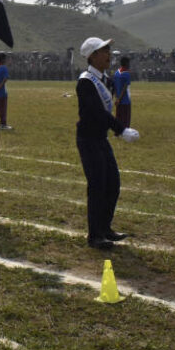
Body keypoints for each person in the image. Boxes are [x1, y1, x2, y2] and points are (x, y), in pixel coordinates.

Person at [75, 37, 140, 250]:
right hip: (89, 139)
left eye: (109, 50)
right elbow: (96, 112)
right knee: (97, 185)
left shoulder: (105, 80)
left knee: (113, 183)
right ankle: (95, 235)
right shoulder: (86, 82)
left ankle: (105, 227)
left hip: (100, 138)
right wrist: (121, 129)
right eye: (104, 50)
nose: (108, 54)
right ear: (92, 56)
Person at [113, 56, 132, 129]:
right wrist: (119, 99)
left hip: (118, 99)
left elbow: (114, 86)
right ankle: (125, 132)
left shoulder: (116, 73)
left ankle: (117, 131)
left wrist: (116, 98)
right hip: (125, 100)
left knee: (118, 116)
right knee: (126, 119)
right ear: (126, 63)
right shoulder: (126, 74)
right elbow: (125, 88)